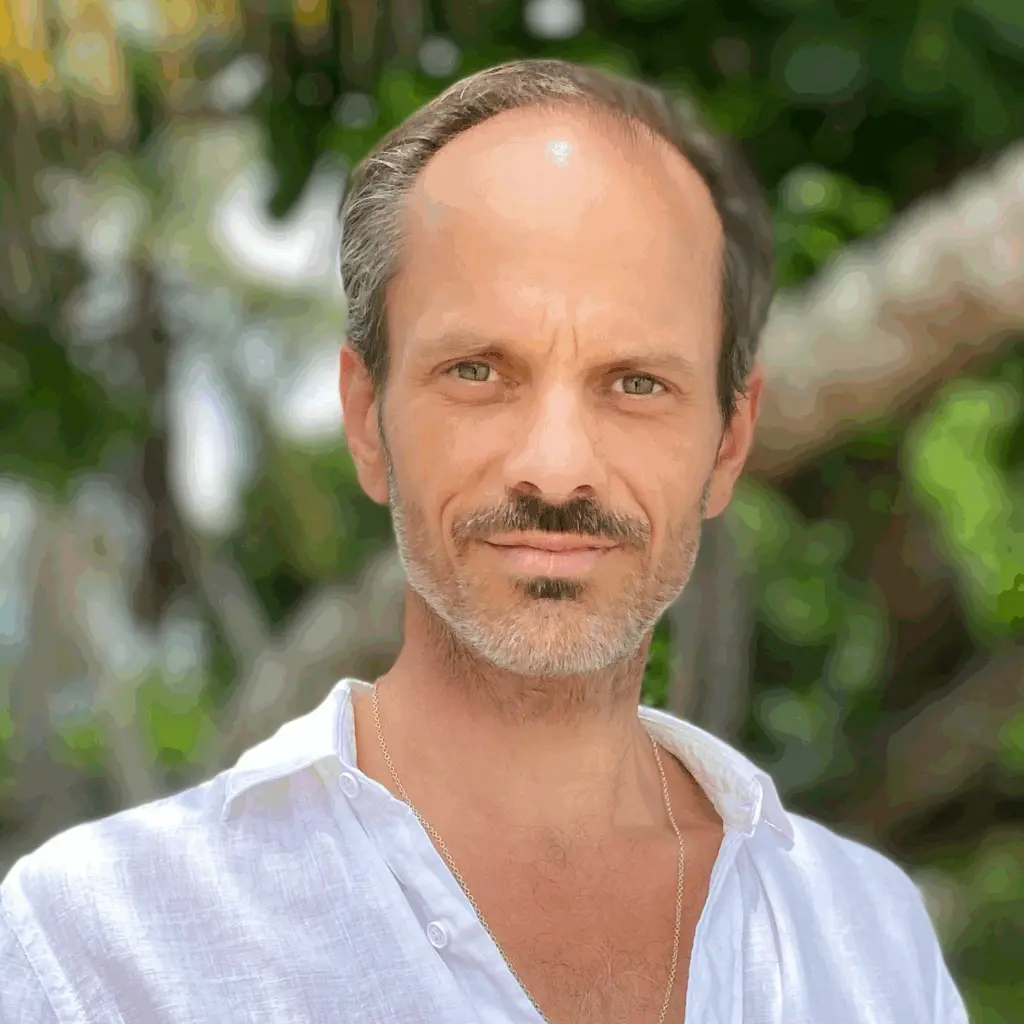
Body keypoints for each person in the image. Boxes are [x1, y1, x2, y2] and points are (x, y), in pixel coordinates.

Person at [0, 58, 968, 1024]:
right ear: (367, 420)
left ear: (727, 444)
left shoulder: (866, 940)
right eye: (478, 371)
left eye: (636, 383)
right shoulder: (100, 950)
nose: (556, 470)